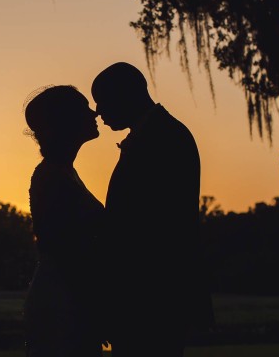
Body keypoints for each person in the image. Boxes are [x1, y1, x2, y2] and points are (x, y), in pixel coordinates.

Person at [91, 62, 214, 357]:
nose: (98, 112)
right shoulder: (157, 133)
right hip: (150, 295)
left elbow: (150, 229)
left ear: (126, 94)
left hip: (152, 296)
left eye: (103, 101)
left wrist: (117, 298)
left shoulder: (163, 138)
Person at [22, 85, 108, 357]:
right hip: (62, 303)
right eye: (83, 108)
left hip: (67, 298)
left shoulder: (64, 172)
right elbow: (66, 251)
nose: (93, 112)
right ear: (66, 121)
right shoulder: (50, 177)